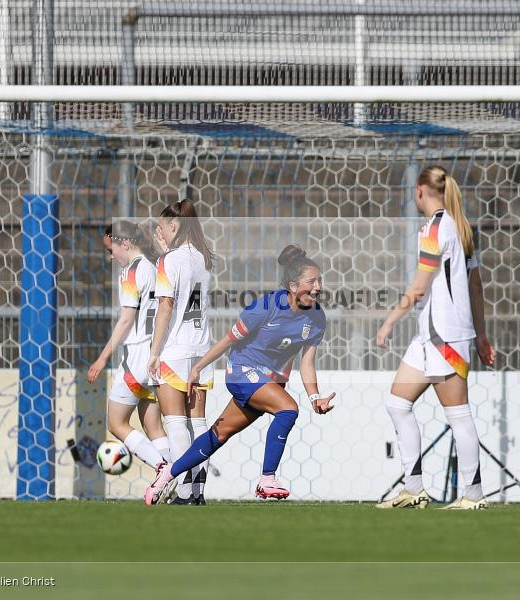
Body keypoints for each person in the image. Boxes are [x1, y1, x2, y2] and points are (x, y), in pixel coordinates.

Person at [144, 244, 336, 505]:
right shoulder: (265, 308)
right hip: (242, 372)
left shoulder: (317, 318)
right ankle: (267, 479)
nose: (317, 287)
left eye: (319, 280)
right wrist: (198, 367)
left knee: (217, 435)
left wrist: (315, 398)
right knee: (288, 409)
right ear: (292, 286)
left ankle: (167, 474)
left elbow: (307, 363)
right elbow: (227, 341)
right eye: (311, 281)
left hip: (266, 383)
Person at [375, 166, 495, 510]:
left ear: (419, 191)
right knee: (398, 404)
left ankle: (473, 496)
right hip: (430, 336)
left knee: (459, 415)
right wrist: (483, 334)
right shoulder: (461, 227)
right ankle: (414, 490)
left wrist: (388, 323)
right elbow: (476, 284)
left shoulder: (434, 229)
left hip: (444, 338)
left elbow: (419, 287)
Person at [146, 200, 215, 505]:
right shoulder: (203, 258)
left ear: (173, 226)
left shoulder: (168, 262)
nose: (158, 232)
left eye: (161, 227)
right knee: (197, 423)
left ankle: (185, 493)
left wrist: (153, 352)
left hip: (174, 350)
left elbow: (166, 306)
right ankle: (198, 493)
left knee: (175, 422)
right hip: (201, 350)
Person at [87, 222, 171, 470]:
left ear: (124, 243)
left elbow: (126, 320)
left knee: (116, 423)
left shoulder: (131, 273)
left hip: (136, 357)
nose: (111, 257)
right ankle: (174, 477)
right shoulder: (156, 267)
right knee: (152, 426)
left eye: (111, 249)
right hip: (156, 354)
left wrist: (102, 358)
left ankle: (162, 468)